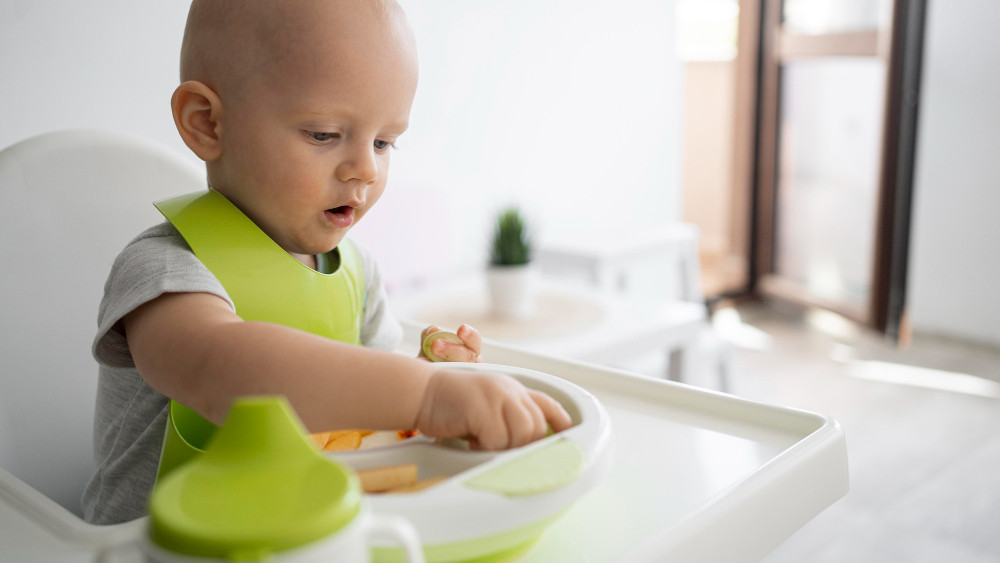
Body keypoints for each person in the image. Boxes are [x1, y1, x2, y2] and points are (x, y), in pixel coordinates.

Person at [83, 0, 571, 525]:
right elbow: (222, 373)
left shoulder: (357, 273)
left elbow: (362, 418)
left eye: (383, 142)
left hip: (301, 532)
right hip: (151, 548)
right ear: (208, 124)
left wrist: (431, 383)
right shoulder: (166, 271)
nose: (365, 169)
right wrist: (425, 393)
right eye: (323, 134)